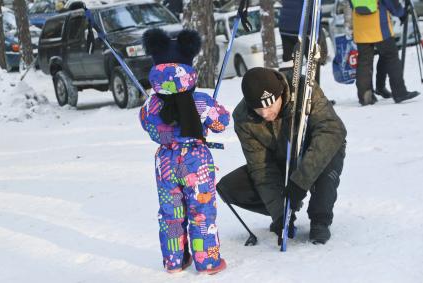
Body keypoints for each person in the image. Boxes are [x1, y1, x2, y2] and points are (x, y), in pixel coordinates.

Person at [217, 67, 346, 245]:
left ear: (281, 94)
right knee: (229, 187)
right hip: (280, 159)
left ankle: (320, 219)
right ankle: (288, 211)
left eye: (270, 106)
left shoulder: (304, 88)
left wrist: (300, 182)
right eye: (258, 109)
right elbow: (262, 168)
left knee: (325, 160)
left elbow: (332, 130)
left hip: (316, 151)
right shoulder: (243, 118)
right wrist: (280, 214)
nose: (265, 114)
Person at [140, 28, 229, 274]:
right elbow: (222, 123)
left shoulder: (152, 105)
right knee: (201, 211)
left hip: (166, 162)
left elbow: (147, 125)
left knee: (171, 214)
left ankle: (174, 261)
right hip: (196, 161)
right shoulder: (200, 102)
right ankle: (207, 261)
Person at [349, 0, 420, 105]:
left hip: (360, 24)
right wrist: (401, 13)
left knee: (364, 60)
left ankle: (365, 95)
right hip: (378, 24)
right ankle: (399, 92)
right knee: (391, 56)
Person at [278, 0, 327, 83]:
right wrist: (317, 35)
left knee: (289, 64)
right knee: (313, 63)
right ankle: (313, 91)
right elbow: (315, 12)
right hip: (303, 29)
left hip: (285, 28)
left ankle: (288, 89)